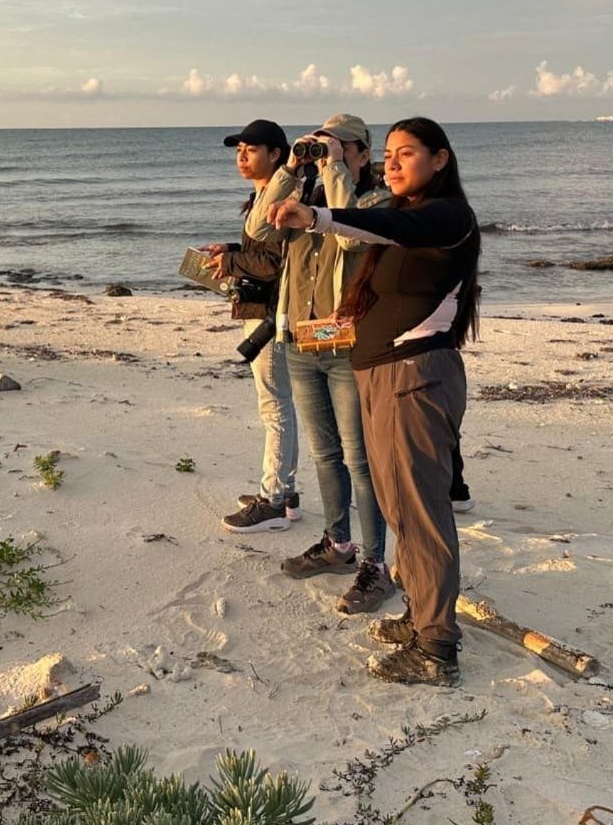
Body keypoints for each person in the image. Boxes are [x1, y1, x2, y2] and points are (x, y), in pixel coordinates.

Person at [268, 117, 480, 686]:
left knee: (421, 512)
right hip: (385, 377)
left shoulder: (447, 216)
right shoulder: (408, 217)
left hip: (415, 379)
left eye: (406, 153)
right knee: (398, 508)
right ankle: (419, 614)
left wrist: (317, 216)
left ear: (440, 158)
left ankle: (436, 648)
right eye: (390, 153)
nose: (393, 163)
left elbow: (383, 226)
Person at [247, 113, 393, 615]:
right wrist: (290, 169)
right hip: (302, 343)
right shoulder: (303, 195)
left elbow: (350, 236)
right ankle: (338, 544)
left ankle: (376, 564)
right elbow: (257, 230)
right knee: (326, 454)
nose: (328, 152)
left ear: (363, 152)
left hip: (350, 348)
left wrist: (333, 171)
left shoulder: (377, 201)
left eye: (341, 145)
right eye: (322, 143)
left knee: (360, 459)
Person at [199, 120, 300, 533]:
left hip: (271, 314)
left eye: (251, 149)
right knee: (279, 404)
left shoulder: (283, 197)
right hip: (262, 309)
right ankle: (285, 493)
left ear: (276, 154)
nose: (241, 156)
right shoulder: (263, 194)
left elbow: (275, 264)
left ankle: (273, 500)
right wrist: (232, 250)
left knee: (275, 406)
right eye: (238, 149)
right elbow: (266, 251)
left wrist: (232, 261)